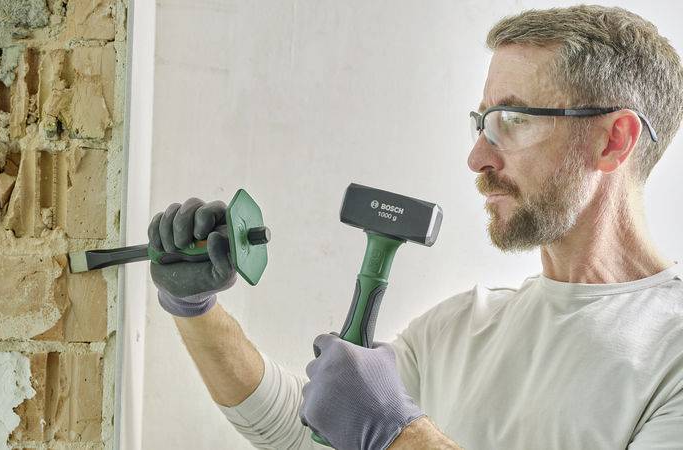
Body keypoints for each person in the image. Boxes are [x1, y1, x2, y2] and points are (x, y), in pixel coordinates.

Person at [148, 5, 683, 449]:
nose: (477, 157)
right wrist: (194, 309)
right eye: (481, 124)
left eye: (514, 121)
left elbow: (383, 431)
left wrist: (399, 433)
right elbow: (304, 433)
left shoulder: (671, 352)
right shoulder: (460, 327)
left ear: (614, 140)